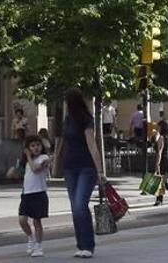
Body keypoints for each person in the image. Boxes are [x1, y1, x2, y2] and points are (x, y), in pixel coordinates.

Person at [59, 87, 106, 259]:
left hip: (87, 167)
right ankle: (81, 244)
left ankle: (87, 245)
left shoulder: (86, 119)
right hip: (70, 167)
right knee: (75, 207)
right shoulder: (68, 120)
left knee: (80, 204)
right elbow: (63, 142)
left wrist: (100, 170)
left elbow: (92, 145)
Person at [18, 136, 50, 257]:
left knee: (37, 221)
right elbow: (23, 173)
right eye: (32, 146)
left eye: (38, 145)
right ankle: (30, 237)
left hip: (39, 193)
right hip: (27, 194)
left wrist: (28, 156)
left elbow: (36, 169)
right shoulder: (26, 161)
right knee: (22, 220)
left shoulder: (44, 158)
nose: (35, 148)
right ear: (28, 148)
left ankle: (38, 245)